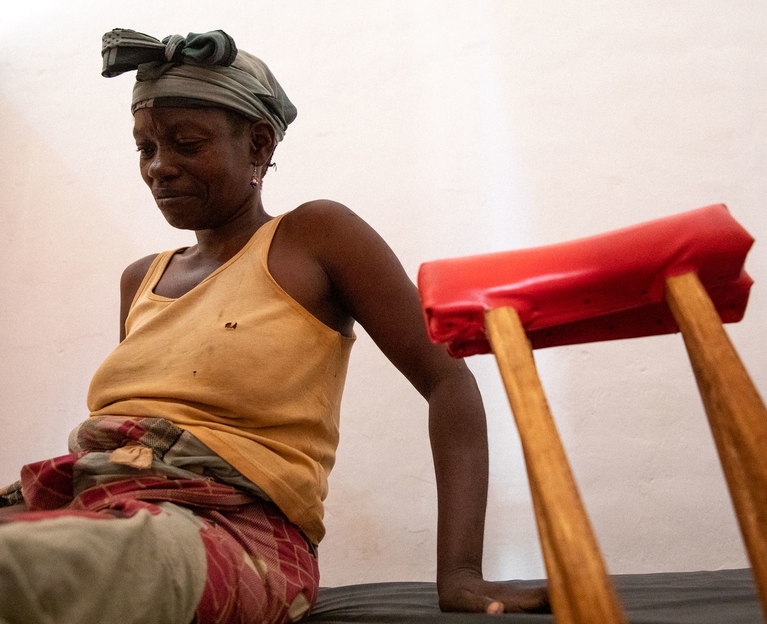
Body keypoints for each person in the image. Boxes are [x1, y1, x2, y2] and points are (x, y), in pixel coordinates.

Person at [0, 29, 549, 624]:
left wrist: (462, 574)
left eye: (186, 143)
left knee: (29, 566)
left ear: (259, 144)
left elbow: (450, 384)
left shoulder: (316, 237)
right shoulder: (141, 278)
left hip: (235, 532)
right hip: (93, 495)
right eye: (145, 147)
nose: (159, 167)